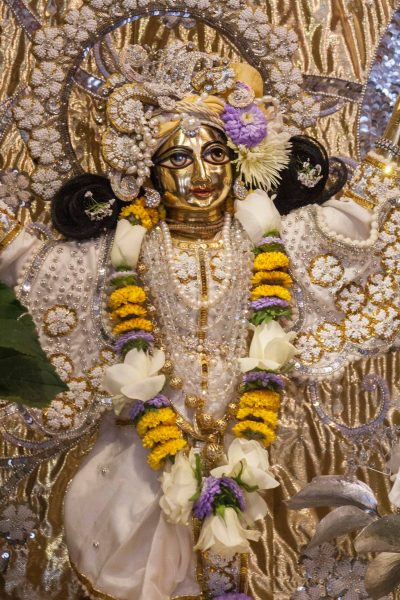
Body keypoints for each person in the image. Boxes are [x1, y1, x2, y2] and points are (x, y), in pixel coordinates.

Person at [1, 38, 399, 600]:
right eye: (178, 159)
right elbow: (31, 266)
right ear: (148, 173)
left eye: (214, 154)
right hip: (143, 458)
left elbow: (356, 226)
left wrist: (391, 147)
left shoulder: (267, 235)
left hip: (263, 445)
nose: (200, 174)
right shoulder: (125, 250)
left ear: (238, 162)